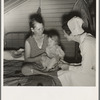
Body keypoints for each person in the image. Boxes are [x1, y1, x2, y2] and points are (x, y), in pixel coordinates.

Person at [58, 16, 96, 86]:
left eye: (65, 33)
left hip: (95, 77)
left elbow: (85, 70)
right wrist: (69, 64)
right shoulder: (85, 39)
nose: (64, 35)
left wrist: (68, 67)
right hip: (92, 72)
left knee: (63, 75)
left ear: (72, 33)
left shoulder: (86, 44)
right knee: (62, 73)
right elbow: (86, 65)